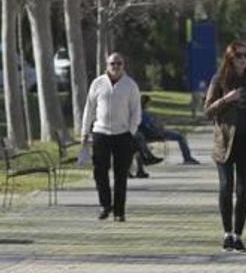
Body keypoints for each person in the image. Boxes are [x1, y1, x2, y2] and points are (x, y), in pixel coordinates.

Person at [204, 41, 246, 253]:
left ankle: (238, 235)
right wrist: (226, 99)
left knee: (243, 190)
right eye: (238, 56)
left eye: (245, 56)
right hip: (224, 143)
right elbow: (208, 111)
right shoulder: (220, 79)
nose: (242, 60)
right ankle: (227, 234)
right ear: (229, 59)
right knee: (226, 187)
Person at [81, 52, 141, 222]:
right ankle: (105, 205)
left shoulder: (130, 85)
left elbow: (136, 111)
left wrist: (131, 130)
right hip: (101, 133)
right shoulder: (98, 83)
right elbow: (89, 108)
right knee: (100, 172)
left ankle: (119, 211)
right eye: (112, 64)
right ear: (106, 65)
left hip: (123, 135)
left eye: (119, 64)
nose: (115, 67)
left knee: (121, 175)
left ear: (124, 65)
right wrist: (85, 131)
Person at [139, 95, 200, 165]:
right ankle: (187, 158)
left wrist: (159, 124)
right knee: (180, 136)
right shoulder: (143, 114)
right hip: (155, 133)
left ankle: (187, 157)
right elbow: (149, 127)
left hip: (154, 132)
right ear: (146, 103)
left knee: (178, 133)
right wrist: (159, 127)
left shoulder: (141, 113)